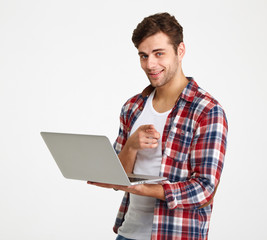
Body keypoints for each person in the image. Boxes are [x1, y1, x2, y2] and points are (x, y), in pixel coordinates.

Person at [88, 12, 228, 240]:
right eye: (143, 56)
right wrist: (131, 147)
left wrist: (144, 189)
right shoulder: (132, 107)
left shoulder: (206, 110)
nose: (150, 64)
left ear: (180, 51)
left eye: (159, 53)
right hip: (128, 233)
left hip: (176, 234)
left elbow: (205, 189)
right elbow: (118, 178)